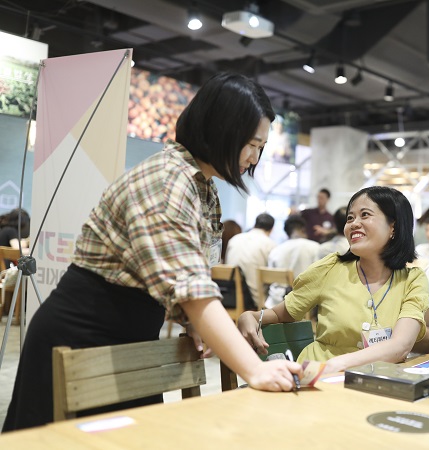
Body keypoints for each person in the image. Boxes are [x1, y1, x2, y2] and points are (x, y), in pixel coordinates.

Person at [3, 73, 301, 432]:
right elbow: (194, 291)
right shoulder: (167, 182)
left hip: (133, 340)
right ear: (223, 129)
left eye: (260, 147)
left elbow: (184, 275)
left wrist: (194, 324)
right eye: (251, 144)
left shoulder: (201, 185)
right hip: (81, 338)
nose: (254, 157)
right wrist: (253, 370)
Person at [238, 186, 429, 375]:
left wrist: (336, 365)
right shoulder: (330, 268)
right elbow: (280, 314)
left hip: (374, 386)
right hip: (319, 381)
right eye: (350, 218)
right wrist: (250, 316)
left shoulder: (413, 280)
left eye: (365, 215)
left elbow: (401, 345)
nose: (354, 223)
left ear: (393, 226)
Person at [265, 215, 320, 308]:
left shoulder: (276, 250)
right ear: (303, 229)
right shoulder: (315, 247)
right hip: (303, 304)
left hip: (274, 303)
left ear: (287, 232)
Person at [225, 213, 277, 302]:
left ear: (255, 225)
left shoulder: (235, 239)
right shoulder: (270, 244)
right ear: (271, 229)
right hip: (256, 300)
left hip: (230, 297)